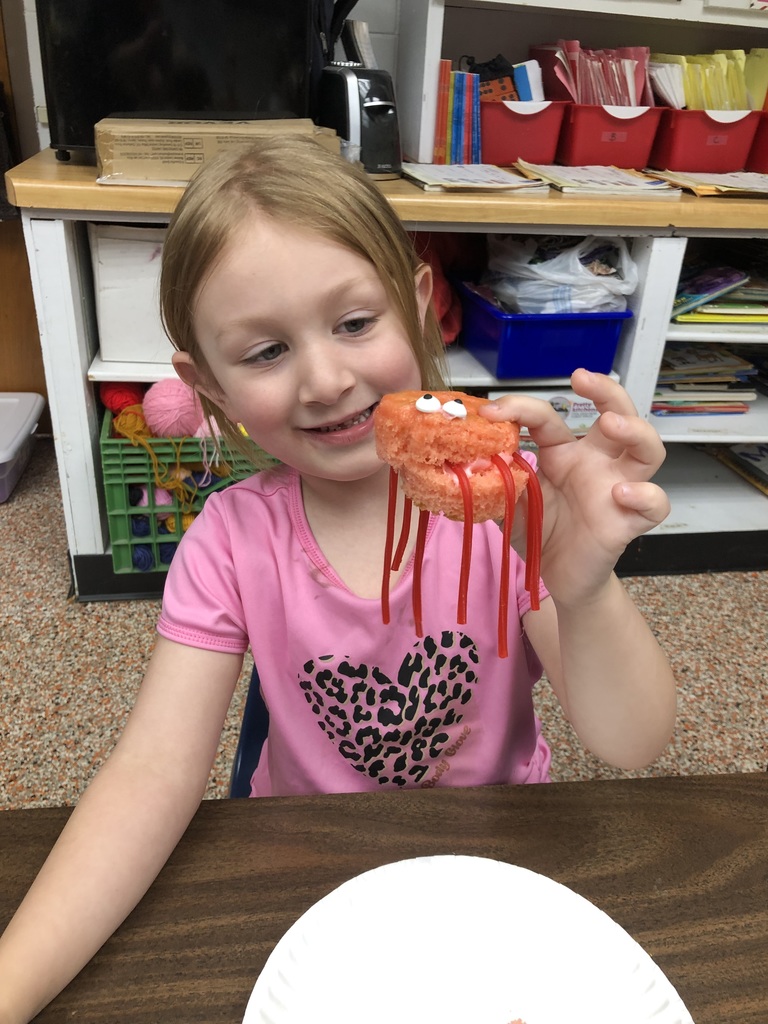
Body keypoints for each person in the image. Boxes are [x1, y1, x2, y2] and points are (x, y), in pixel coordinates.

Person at [0, 136, 677, 1021]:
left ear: (421, 306)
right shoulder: (231, 540)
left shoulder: (504, 509)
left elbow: (634, 742)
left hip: (496, 859)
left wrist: (579, 583)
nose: (326, 378)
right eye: (266, 351)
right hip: (307, 865)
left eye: (356, 322)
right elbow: (152, 777)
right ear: (208, 387)